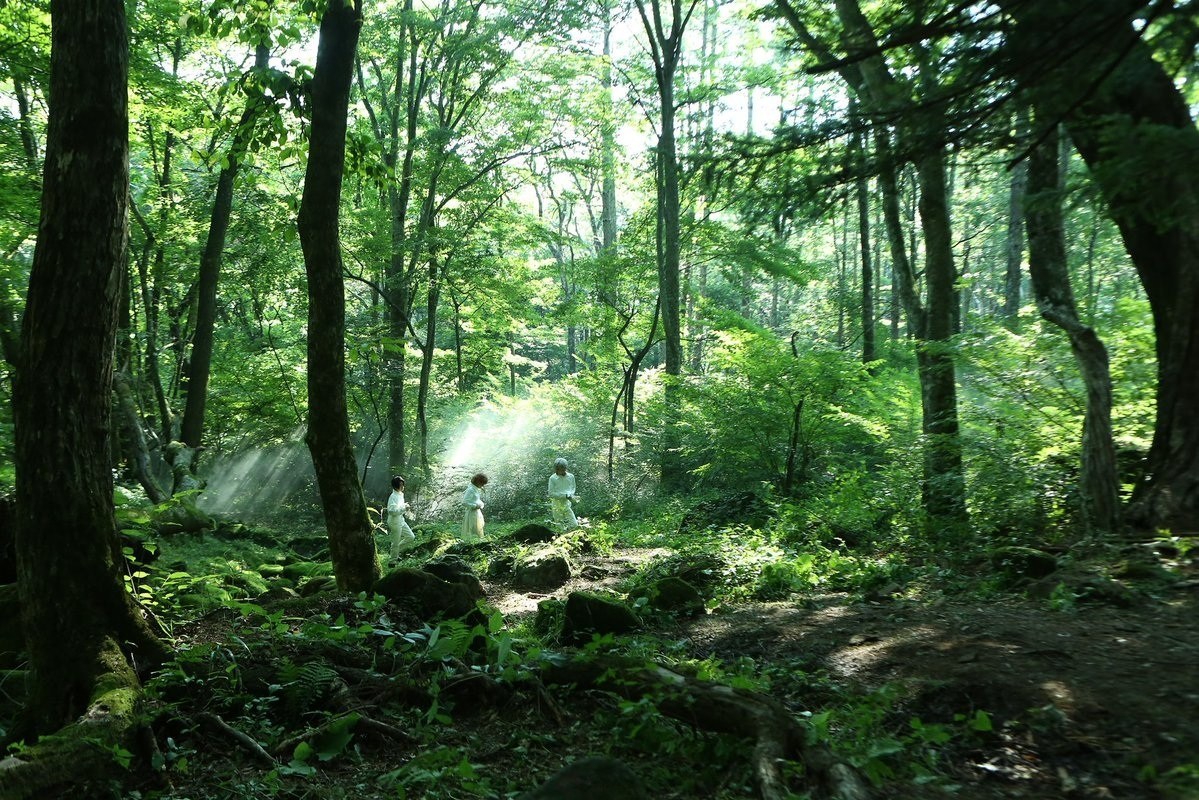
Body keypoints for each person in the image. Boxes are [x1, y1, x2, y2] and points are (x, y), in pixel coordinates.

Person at [385, 475, 416, 560]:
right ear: (396, 486)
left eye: (403, 484)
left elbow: (399, 507)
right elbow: (391, 511)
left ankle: (394, 551)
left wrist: (404, 505)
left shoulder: (400, 494)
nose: (403, 487)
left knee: (411, 537)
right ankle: (392, 562)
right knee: (395, 542)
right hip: (394, 522)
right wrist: (403, 508)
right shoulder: (393, 496)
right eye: (401, 485)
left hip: (401, 520)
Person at [547, 458, 578, 530]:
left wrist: (570, 495)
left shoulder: (571, 476)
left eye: (561, 469)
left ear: (565, 468)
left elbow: (573, 488)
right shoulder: (552, 478)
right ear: (555, 469)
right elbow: (551, 493)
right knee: (560, 527)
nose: (560, 471)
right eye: (558, 469)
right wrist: (564, 496)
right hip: (556, 505)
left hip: (567, 504)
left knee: (574, 525)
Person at [460, 473, 488, 542]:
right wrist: (475, 506)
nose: (482, 486)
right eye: (482, 484)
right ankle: (472, 544)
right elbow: (464, 502)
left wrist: (481, 504)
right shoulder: (470, 490)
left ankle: (478, 544)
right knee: (472, 529)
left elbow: (475, 500)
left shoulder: (475, 489)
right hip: (472, 513)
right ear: (478, 481)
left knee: (478, 529)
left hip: (476, 512)